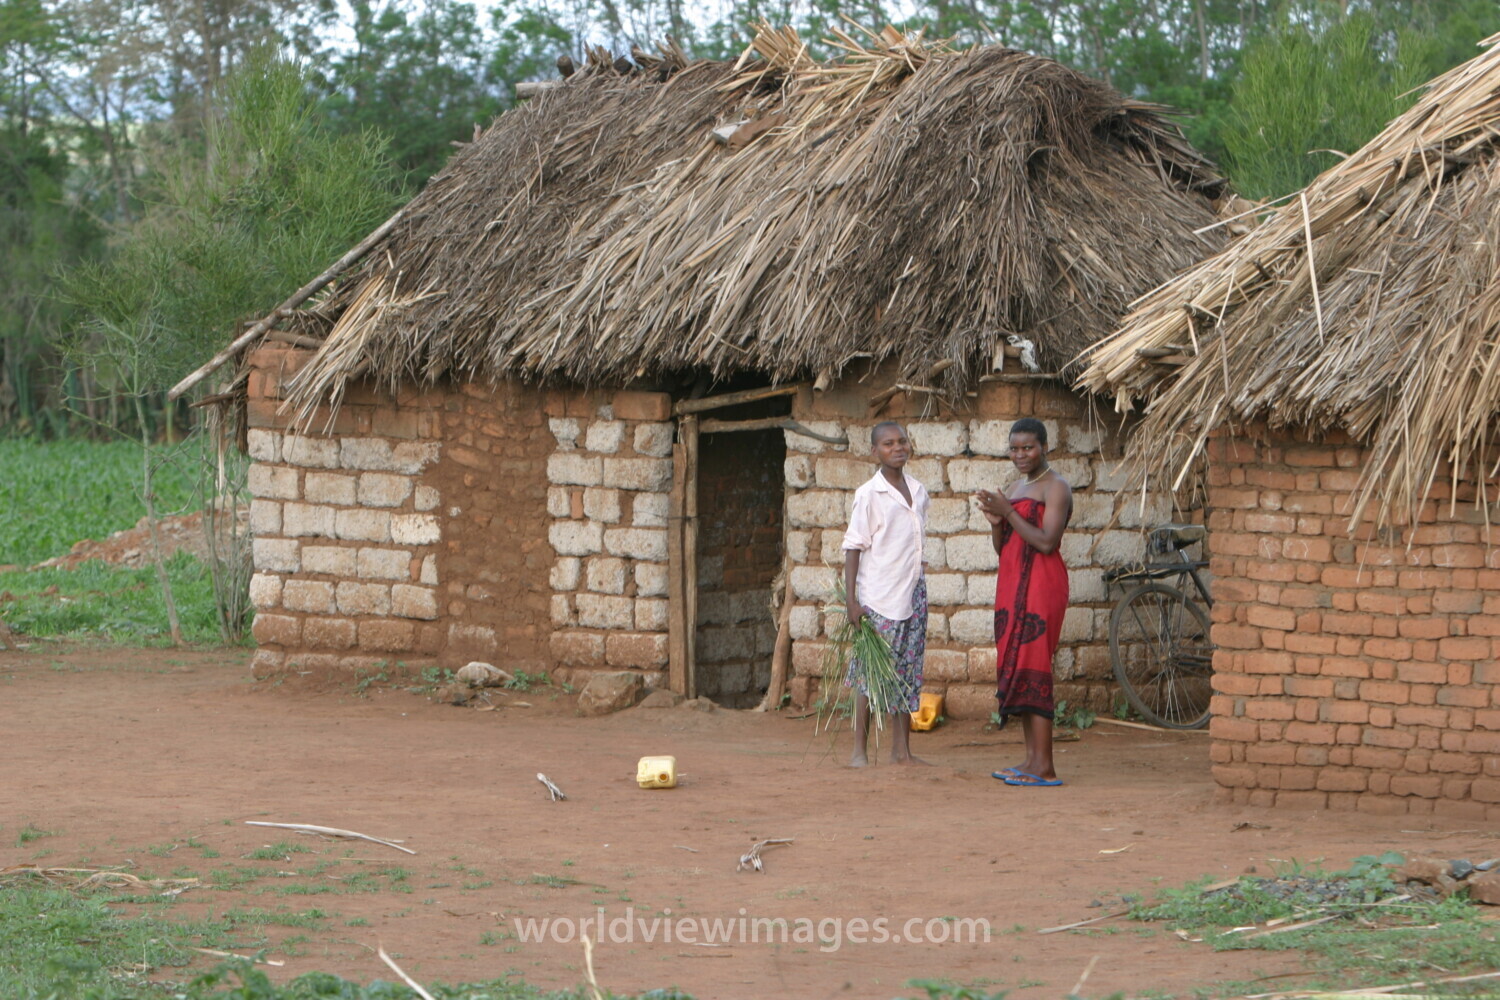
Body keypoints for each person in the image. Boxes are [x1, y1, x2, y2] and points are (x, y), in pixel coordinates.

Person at [973, 418, 1071, 787]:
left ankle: (1045, 767)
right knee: (1017, 666)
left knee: (1035, 666)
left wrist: (1009, 511)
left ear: (1044, 446)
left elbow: (1047, 542)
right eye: (1014, 448)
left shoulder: (1056, 487)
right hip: (1012, 586)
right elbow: (1004, 549)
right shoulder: (1014, 487)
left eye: (1028, 447)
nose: (1020, 455)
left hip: (1043, 586)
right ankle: (1031, 760)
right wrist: (996, 522)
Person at [842, 421, 930, 767]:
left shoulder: (919, 491)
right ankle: (858, 751)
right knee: (870, 673)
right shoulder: (869, 494)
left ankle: (902, 752)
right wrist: (852, 601)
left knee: (908, 671)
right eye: (889, 443)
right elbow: (853, 547)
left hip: (913, 593)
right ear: (875, 451)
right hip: (879, 598)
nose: (898, 448)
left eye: (902, 442)